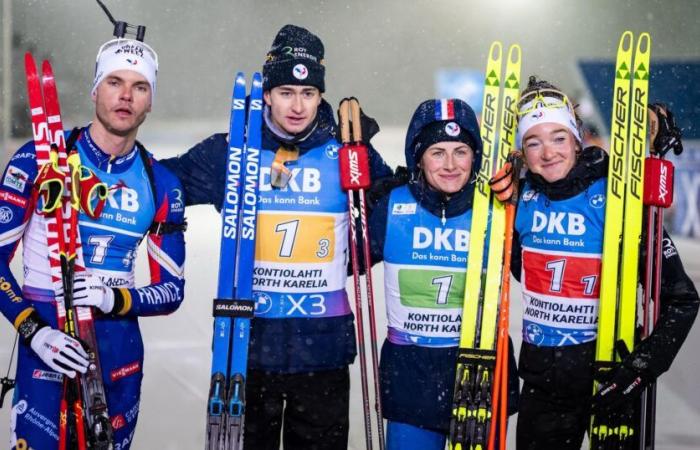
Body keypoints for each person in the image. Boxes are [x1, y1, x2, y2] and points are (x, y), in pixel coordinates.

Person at [161, 24, 392, 450]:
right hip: (248, 352)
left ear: (321, 95)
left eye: (308, 93)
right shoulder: (234, 150)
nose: (298, 105)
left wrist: (354, 255)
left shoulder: (347, 151)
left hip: (323, 352)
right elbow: (160, 184)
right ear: (266, 93)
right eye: (286, 91)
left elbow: (393, 211)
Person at [490, 76, 699, 449]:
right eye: (533, 141)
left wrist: (640, 369)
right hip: (542, 383)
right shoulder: (518, 198)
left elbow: (682, 299)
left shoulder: (618, 199)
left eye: (558, 137)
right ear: (522, 151)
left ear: (576, 138)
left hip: (610, 376)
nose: (547, 152)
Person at [0, 37, 186, 450]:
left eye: (140, 87)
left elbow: (172, 291)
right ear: (94, 89)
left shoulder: (161, 184)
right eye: (114, 81)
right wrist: (33, 330)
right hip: (47, 345)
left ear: (150, 100)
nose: (125, 96)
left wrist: (112, 298)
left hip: (118, 352)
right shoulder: (41, 159)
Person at [366, 99, 518, 450]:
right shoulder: (392, 205)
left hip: (481, 378)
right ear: (418, 157)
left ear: (474, 156)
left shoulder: (500, 205)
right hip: (411, 379)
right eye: (437, 152)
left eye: (461, 151)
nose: (450, 165)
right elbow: (346, 261)